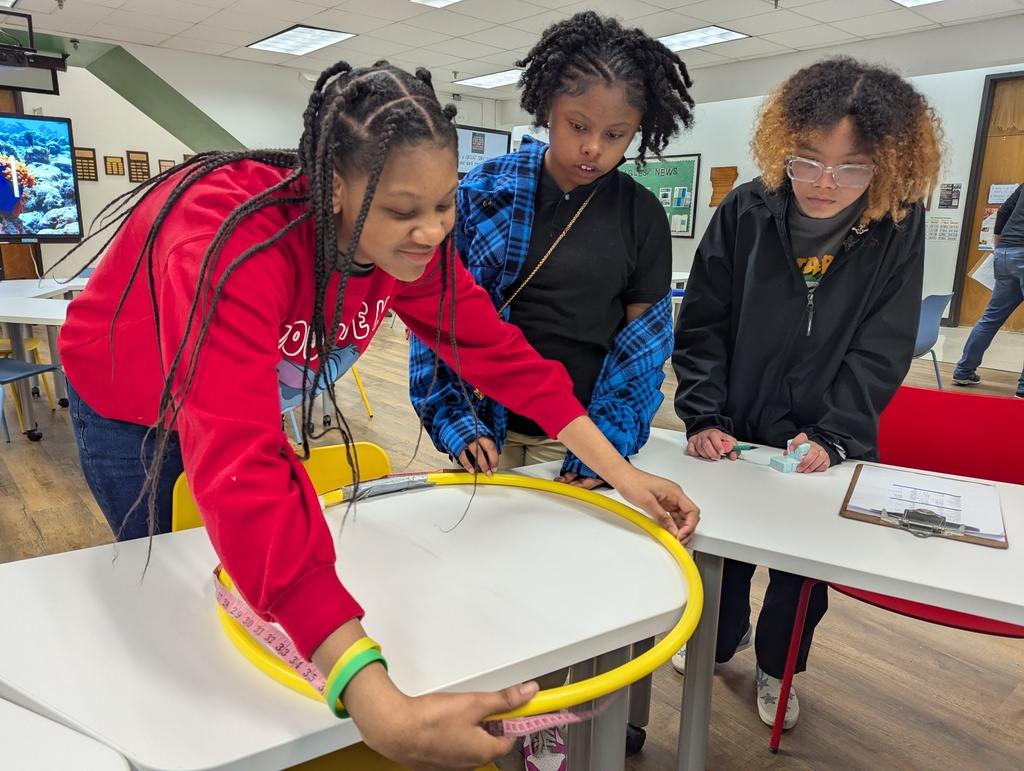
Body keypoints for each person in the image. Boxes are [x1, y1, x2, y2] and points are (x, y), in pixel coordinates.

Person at [55, 61, 699, 770]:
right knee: (179, 621)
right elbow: (242, 465)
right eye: (403, 210)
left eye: (445, 204)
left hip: (233, 403)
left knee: (255, 580)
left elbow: (503, 358)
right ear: (334, 184)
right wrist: (380, 706)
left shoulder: (402, 248)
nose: (430, 231)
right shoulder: (233, 244)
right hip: (129, 408)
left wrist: (622, 473)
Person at [408, 14, 697, 767]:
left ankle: (553, 723)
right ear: (543, 108)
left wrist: (613, 448)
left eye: (616, 133)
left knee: (573, 595)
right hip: (488, 426)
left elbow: (643, 346)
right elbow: (439, 321)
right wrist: (453, 418)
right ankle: (475, 713)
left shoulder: (639, 216)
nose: (592, 149)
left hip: (585, 436)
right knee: (483, 588)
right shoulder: (483, 192)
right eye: (576, 126)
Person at [671, 57, 942, 731]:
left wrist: (836, 433)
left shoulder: (895, 227)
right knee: (723, 550)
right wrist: (703, 411)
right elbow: (703, 320)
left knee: (802, 573)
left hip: (828, 430)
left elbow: (883, 343)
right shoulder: (746, 209)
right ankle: (723, 634)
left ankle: (778, 666)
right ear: (782, 148)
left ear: (886, 166)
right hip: (735, 420)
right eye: (807, 161)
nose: (825, 183)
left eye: (851, 167)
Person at [952, 181, 1024, 397]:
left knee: (991, 317)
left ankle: (964, 370)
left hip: (1006, 253)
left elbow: (1002, 213)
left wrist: (998, 247)